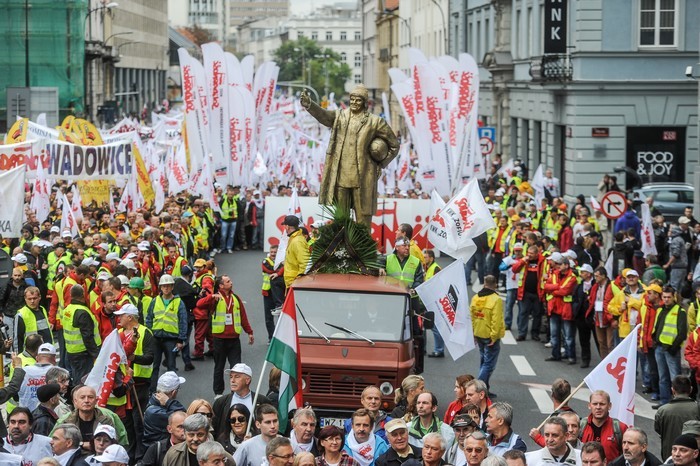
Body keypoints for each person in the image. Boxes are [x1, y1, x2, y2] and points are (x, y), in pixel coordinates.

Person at [300, 84, 399, 226]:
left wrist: (381, 164)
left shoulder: (375, 122)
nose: (354, 102)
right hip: (342, 174)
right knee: (341, 218)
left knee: (363, 218)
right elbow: (325, 117)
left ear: (365, 103)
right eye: (352, 99)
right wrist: (310, 105)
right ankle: (342, 246)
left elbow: (394, 145)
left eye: (358, 100)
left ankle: (362, 247)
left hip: (364, 175)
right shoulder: (341, 115)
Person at [196, 275, 254, 396]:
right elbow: (199, 304)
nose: (231, 283)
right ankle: (218, 394)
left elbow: (243, 316)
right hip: (219, 339)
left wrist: (249, 332)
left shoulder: (236, 298)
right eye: (228, 281)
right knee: (219, 367)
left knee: (237, 369)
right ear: (221, 285)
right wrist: (211, 296)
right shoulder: (215, 298)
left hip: (234, 340)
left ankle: (236, 392)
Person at [145, 274, 188, 392]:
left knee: (171, 366)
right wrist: (149, 335)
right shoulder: (155, 301)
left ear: (172, 287)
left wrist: (181, 340)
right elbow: (149, 318)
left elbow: (183, 322)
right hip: (156, 338)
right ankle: (152, 391)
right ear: (160, 287)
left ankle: (171, 390)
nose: (166, 288)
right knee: (154, 366)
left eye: (168, 286)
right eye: (164, 286)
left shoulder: (179, 302)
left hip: (171, 339)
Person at [54, 385, 128, 448]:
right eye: (82, 397)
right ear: (75, 401)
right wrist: (82, 444)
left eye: (90, 397)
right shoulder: (66, 422)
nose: (86, 400)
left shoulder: (106, 420)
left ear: (96, 400)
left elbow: (114, 444)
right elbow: (58, 443)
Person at [212, 363, 271, 438]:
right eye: (231, 377)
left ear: (247, 380)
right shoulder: (221, 402)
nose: (232, 380)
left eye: (237, 377)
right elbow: (215, 426)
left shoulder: (262, 401)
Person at [652, 287, 687, 408]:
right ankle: (664, 402)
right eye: (664, 297)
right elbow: (657, 327)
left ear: (673, 297)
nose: (666, 299)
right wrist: (655, 339)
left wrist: (674, 347)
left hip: (671, 349)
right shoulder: (660, 310)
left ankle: (677, 404)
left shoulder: (680, 311)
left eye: (669, 297)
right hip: (660, 347)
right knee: (663, 377)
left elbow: (682, 332)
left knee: (675, 378)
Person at [543, 252, 578, 364]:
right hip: (554, 308)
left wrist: (554, 290)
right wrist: (558, 287)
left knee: (568, 335)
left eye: (561, 264)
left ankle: (571, 356)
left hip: (565, 309)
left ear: (566, 265)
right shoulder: (555, 274)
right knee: (554, 334)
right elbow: (546, 287)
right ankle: (556, 354)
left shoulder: (572, 277)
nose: (558, 266)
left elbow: (566, 291)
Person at [470, 275, 504, 390]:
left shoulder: (475, 298)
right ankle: (477, 388)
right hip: (490, 336)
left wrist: (473, 333)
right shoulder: (496, 299)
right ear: (495, 284)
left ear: (484, 283)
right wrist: (494, 337)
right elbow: (496, 320)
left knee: (484, 361)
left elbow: (472, 317)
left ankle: (485, 389)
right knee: (489, 364)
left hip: (479, 333)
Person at [62, 285, 100, 383]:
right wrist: (96, 354)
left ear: (71, 295)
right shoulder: (82, 312)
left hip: (71, 351)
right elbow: (87, 336)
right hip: (83, 353)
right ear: (83, 294)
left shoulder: (68, 309)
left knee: (76, 377)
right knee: (83, 381)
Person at [654, 375, 699, 459]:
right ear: (691, 389)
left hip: (670, 456)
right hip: (692, 457)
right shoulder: (697, 409)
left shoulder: (662, 411)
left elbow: (658, 429)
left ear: (672, 390)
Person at [142, 372, 187, 453]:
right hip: (157, 452)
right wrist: (169, 402)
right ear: (174, 392)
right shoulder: (155, 412)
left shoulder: (155, 402)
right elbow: (183, 417)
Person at [579, 391, 627, 462]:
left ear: (609, 406)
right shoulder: (581, 426)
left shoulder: (620, 428)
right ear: (589, 405)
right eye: (595, 404)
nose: (598, 407)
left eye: (602, 404)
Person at [162, 414, 227, 466]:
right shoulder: (173, 454)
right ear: (185, 434)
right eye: (191, 435)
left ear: (207, 434)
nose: (195, 439)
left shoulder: (222, 456)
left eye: (200, 435)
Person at [15, 286, 53, 353]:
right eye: (29, 299)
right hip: (31, 353)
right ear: (25, 299)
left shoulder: (42, 309)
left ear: (39, 297)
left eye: (34, 298)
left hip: (46, 350)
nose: (32, 301)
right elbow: (18, 339)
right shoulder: (21, 314)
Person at [262, 245, 285, 342]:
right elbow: (270, 270)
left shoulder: (283, 262)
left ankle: (282, 337)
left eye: (275, 252)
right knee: (268, 317)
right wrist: (281, 269)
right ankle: (271, 337)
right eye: (271, 252)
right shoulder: (265, 261)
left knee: (282, 316)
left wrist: (282, 268)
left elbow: (282, 269)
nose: (273, 254)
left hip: (279, 292)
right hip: (268, 292)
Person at [282, 215, 310, 288]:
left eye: (284, 226)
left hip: (294, 283)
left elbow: (305, 263)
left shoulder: (297, 241)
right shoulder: (295, 238)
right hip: (292, 281)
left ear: (287, 227)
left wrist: (299, 281)